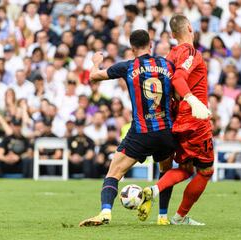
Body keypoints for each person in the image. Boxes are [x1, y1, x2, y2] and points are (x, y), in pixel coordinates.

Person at [79, 29, 209, 227]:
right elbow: (177, 91)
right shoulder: (167, 64)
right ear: (151, 44)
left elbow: (94, 77)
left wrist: (95, 62)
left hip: (141, 133)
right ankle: (163, 217)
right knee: (165, 171)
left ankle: (105, 212)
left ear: (132, 49)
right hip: (166, 132)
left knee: (114, 172)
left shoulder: (128, 66)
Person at [140, 14, 214, 226]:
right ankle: (179, 217)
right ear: (190, 28)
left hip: (177, 120)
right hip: (194, 120)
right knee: (206, 170)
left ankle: (154, 190)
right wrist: (193, 100)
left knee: (187, 168)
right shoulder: (190, 52)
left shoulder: (170, 56)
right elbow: (179, 78)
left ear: (172, 35)